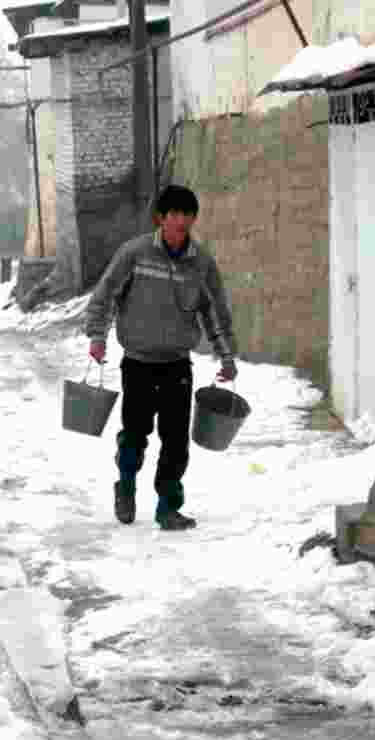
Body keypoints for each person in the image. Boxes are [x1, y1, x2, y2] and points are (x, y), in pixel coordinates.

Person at [85, 184, 238, 531]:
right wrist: (98, 336)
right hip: (137, 363)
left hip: (177, 365)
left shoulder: (200, 263)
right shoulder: (135, 254)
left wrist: (225, 355)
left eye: (188, 214)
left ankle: (168, 506)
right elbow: (106, 294)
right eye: (175, 214)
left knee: (175, 439)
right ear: (161, 218)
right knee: (136, 434)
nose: (182, 221)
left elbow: (214, 311)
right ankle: (125, 484)